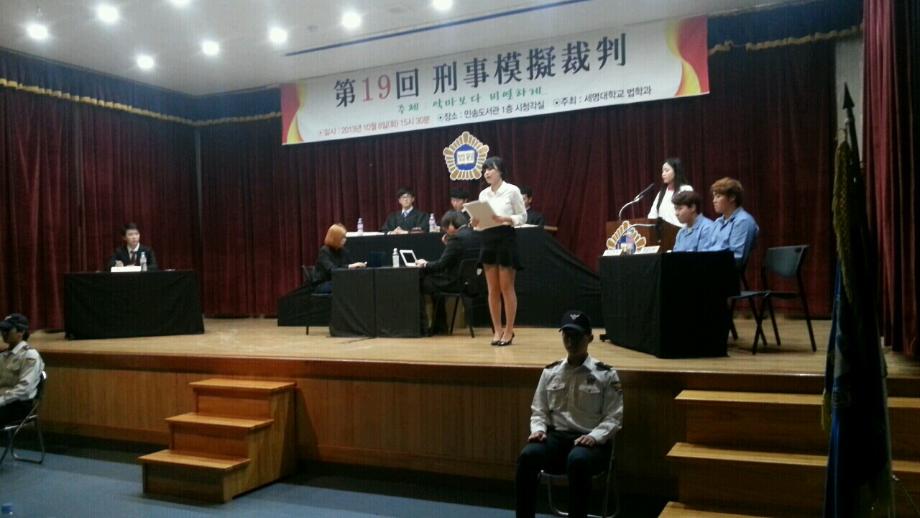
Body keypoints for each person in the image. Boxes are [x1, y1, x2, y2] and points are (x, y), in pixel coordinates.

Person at [515, 310, 623, 518]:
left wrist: (594, 437)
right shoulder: (550, 372)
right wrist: (538, 430)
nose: (571, 341)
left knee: (578, 460)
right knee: (528, 456)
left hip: (591, 442)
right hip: (557, 438)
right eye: (567, 335)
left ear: (589, 338)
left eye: (577, 336)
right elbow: (539, 411)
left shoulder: (605, 374)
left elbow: (614, 417)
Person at [471, 157, 527, 346]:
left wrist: (505, 218)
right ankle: (497, 330)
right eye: (485, 170)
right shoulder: (483, 194)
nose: (486, 173)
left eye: (490, 169)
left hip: (505, 239)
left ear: (500, 171)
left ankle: (509, 330)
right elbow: (480, 223)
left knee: (506, 287)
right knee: (492, 289)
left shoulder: (512, 190)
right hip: (487, 240)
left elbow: (523, 216)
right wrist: (475, 222)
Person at [416, 211, 481, 333]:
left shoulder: (456, 238)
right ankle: (439, 327)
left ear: (451, 225)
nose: (445, 231)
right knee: (434, 286)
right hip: (471, 282)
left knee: (418, 282)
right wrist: (448, 245)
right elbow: (457, 258)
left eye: (445, 227)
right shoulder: (475, 235)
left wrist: (425, 264)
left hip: (454, 283)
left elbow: (441, 265)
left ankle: (422, 327)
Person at [0, 313, 45, 427]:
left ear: (21, 332)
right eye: (3, 329)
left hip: (18, 405)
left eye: (8, 330)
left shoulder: (29, 355)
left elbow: (24, 389)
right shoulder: (3, 355)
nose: (3, 333)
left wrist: (2, 400)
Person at [706, 177, 760, 266]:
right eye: (714, 196)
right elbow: (706, 249)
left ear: (732, 197)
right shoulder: (717, 222)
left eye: (718, 196)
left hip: (725, 270)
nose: (714, 201)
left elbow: (736, 258)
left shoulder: (743, 221)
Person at [313, 223, 366, 293]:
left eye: (345, 237)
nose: (345, 240)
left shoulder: (343, 251)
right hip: (323, 283)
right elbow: (332, 270)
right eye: (342, 238)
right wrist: (350, 266)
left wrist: (357, 267)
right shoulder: (324, 251)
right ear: (335, 238)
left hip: (338, 281)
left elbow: (349, 265)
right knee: (345, 286)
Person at [647, 158, 693, 227]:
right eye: (662, 171)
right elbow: (652, 215)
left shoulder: (686, 189)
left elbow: (688, 214)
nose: (663, 174)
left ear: (676, 171)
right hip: (663, 232)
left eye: (667, 170)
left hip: (682, 231)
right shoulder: (661, 193)